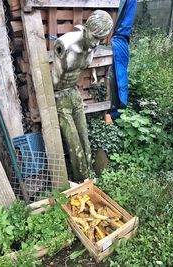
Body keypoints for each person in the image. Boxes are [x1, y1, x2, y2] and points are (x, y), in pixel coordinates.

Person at [52, 10, 113, 181]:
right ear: (86, 30)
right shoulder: (65, 44)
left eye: (101, 39)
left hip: (74, 93)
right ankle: (82, 181)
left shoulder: (92, 46)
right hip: (59, 96)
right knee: (74, 144)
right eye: (95, 37)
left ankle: (90, 177)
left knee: (84, 139)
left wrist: (94, 74)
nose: (96, 43)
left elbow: (82, 65)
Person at [107, 0, 137, 119]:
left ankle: (115, 111)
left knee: (118, 76)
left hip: (118, 36)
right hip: (119, 36)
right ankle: (115, 111)